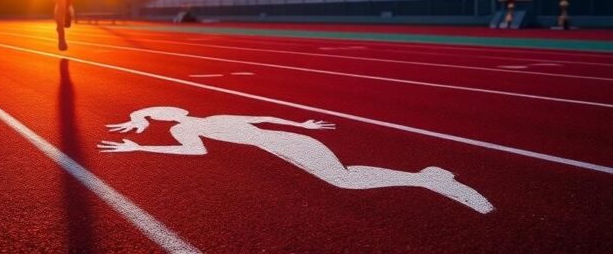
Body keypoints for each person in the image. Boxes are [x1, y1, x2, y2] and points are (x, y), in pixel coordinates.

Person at [98, 107, 494, 214]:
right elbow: (264, 118)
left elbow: (193, 152)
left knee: (343, 180)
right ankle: (425, 177)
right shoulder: (211, 120)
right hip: (288, 139)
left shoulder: (187, 131)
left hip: (288, 144)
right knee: (345, 176)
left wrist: (140, 148)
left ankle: (426, 178)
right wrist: (301, 123)